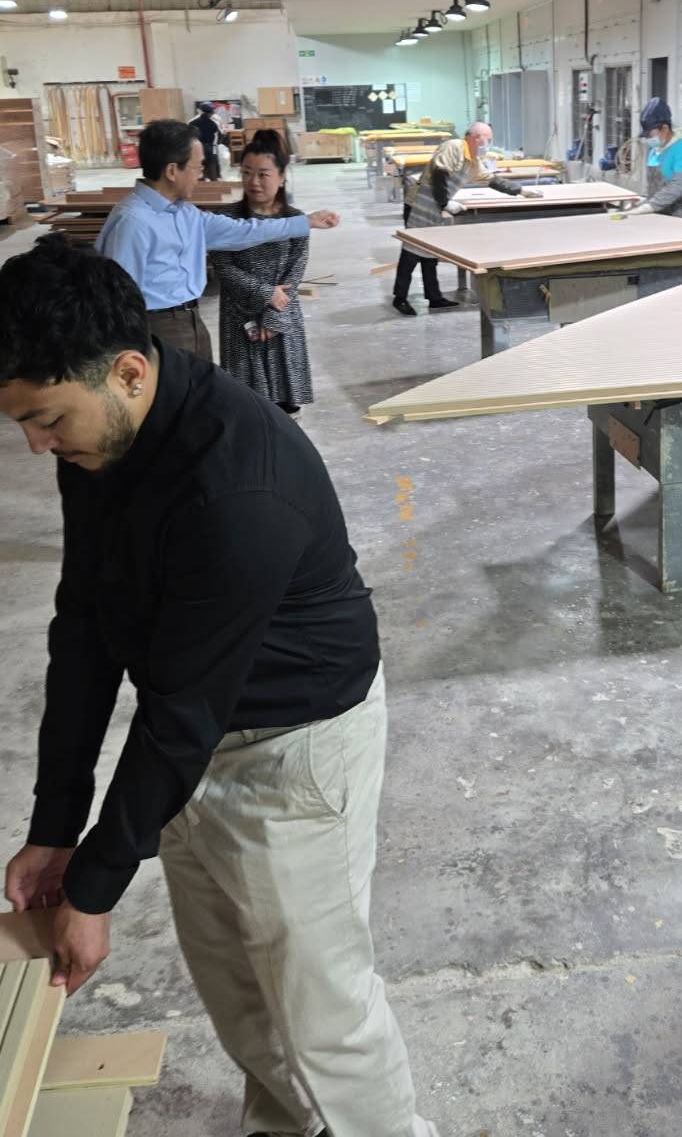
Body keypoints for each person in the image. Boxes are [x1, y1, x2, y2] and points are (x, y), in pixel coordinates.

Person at [0, 236, 439, 1137]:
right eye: (22, 425)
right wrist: (55, 826)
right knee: (241, 998)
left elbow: (179, 712)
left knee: (322, 1016)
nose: (37, 443)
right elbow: (85, 626)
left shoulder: (237, 483)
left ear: (128, 372)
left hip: (295, 750)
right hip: (195, 741)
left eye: (46, 418)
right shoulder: (101, 445)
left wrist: (94, 887)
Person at [97, 119, 338, 359]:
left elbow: (244, 231)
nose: (201, 174)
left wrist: (305, 222)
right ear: (172, 171)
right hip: (155, 328)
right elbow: (116, 299)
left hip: (190, 320)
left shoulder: (185, 213)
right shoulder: (133, 221)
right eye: (197, 167)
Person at [211, 129, 313, 415]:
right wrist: (265, 293)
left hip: (282, 313)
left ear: (281, 177)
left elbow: (296, 270)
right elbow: (223, 267)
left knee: (286, 400)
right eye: (246, 173)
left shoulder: (295, 219)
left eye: (263, 174)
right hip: (239, 316)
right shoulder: (226, 218)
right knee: (248, 403)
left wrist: (274, 314)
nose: (253, 182)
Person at [393, 121, 521, 316]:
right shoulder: (454, 147)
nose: (488, 144)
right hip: (419, 203)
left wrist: (520, 190)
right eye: (488, 139)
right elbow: (439, 174)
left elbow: (490, 179)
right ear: (476, 138)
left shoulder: (472, 161)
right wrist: (445, 203)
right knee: (411, 253)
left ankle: (434, 298)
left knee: (430, 254)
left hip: (434, 206)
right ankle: (399, 298)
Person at [629, 97, 682, 218]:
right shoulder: (655, 150)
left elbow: (679, 185)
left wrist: (650, 206)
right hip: (657, 213)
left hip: (679, 214)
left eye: (650, 134)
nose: (648, 138)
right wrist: (644, 200)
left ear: (665, 128)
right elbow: (655, 186)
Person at [189, 101, 222, 180]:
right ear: (211, 113)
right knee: (212, 170)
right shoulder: (213, 123)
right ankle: (214, 182)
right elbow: (220, 136)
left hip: (196, 148)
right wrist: (217, 143)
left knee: (198, 169)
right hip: (209, 148)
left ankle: (201, 182)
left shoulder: (192, 122)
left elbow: (188, 136)